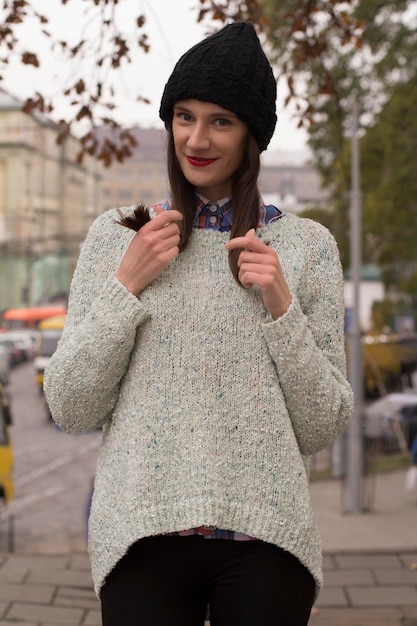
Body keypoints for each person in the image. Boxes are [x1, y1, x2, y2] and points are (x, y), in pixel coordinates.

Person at [44, 22, 353, 626]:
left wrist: (282, 307)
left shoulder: (307, 247)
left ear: (252, 136)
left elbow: (322, 425)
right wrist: (125, 285)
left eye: (221, 120)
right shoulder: (118, 240)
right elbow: (70, 407)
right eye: (184, 116)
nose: (197, 138)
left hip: (266, 537)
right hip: (143, 532)